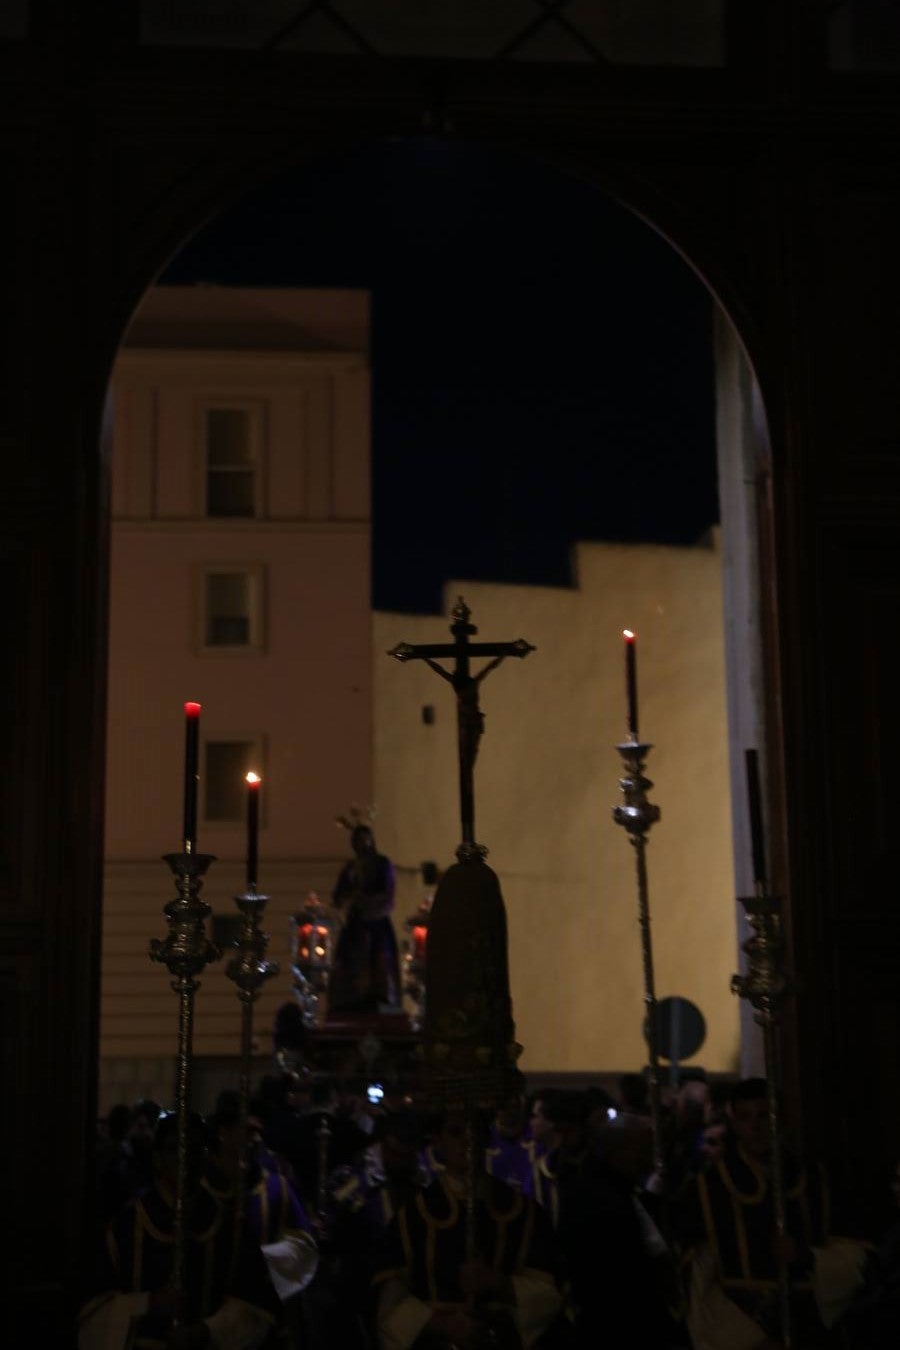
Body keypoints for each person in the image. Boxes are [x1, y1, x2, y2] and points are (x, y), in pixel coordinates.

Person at [673, 1076, 866, 1350]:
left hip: (808, 1325)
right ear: (734, 1123)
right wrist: (748, 1338)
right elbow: (697, 1278)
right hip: (738, 1329)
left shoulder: (814, 1180)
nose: (756, 1126)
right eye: (745, 1117)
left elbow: (854, 1253)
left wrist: (807, 1257)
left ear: (782, 1119)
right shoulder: (708, 1188)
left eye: (765, 1116)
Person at [78, 1110, 283, 1350]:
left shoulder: (229, 1227)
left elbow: (253, 1308)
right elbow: (93, 1313)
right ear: (158, 1158)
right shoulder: (126, 1227)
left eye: (195, 1149)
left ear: (207, 1157)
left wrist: (205, 1332)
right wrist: (148, 1303)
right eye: (174, 1149)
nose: (185, 1158)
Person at [371, 1107, 564, 1350]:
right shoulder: (412, 1216)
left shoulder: (523, 1212)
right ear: (439, 1141)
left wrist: (500, 1284)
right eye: (456, 1132)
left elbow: (549, 1294)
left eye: (476, 1132)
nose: (468, 1142)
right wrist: (441, 1324)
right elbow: (388, 1300)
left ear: (487, 1138)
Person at [329, 823, 402, 1015]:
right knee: (352, 960)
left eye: (365, 838)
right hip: (356, 923)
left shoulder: (382, 863)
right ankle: (352, 996)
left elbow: (387, 892)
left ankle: (380, 995)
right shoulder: (350, 868)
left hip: (377, 922)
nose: (362, 843)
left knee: (379, 959)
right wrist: (349, 898)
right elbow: (338, 896)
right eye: (357, 839)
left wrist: (368, 901)